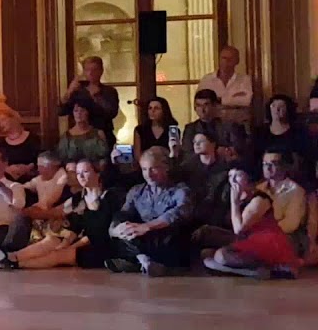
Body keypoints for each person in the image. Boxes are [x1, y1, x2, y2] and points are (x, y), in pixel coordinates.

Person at [107, 148, 192, 277]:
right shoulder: (136, 191)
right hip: (142, 241)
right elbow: (123, 213)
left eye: (153, 169)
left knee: (175, 235)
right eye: (144, 169)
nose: (149, 174)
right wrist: (115, 230)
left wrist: (147, 227)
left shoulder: (179, 190)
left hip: (165, 239)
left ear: (166, 168)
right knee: (123, 233)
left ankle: (139, 262)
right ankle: (143, 260)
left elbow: (179, 212)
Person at [204, 167, 302, 278]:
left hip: (267, 241)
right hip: (249, 240)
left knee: (221, 256)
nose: (233, 181)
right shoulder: (237, 196)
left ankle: (269, 270)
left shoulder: (259, 199)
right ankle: (245, 271)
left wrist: (234, 203)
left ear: (248, 178)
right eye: (231, 176)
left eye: (238, 176)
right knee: (207, 253)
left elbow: (239, 229)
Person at [59, 56, 121, 144]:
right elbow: (61, 111)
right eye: (87, 70)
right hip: (80, 137)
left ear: (101, 71)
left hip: (103, 135)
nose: (91, 73)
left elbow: (112, 113)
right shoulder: (78, 91)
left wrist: (97, 97)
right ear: (84, 72)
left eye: (94, 70)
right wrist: (69, 91)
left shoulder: (109, 91)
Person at [196, 46, 252, 126]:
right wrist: (233, 101)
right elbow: (199, 103)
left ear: (237, 61)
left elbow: (246, 101)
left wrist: (217, 101)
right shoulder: (207, 80)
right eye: (224, 58)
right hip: (212, 126)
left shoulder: (245, 80)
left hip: (239, 126)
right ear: (219, 59)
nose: (226, 62)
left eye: (230, 59)